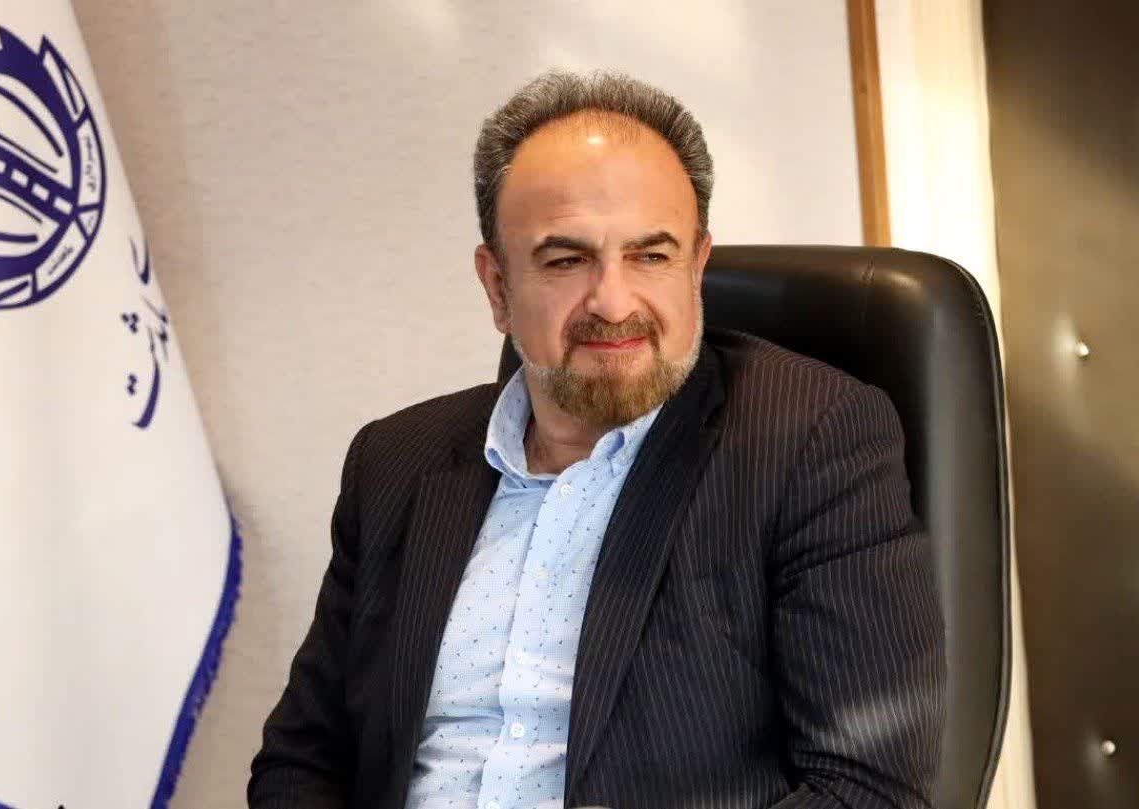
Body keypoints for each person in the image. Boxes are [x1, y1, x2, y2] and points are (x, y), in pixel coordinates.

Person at [249, 71, 945, 809]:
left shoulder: (809, 439)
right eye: (566, 260)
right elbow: (303, 758)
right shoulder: (396, 460)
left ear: (697, 266)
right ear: (496, 286)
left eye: (651, 256)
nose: (613, 302)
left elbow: (869, 788)